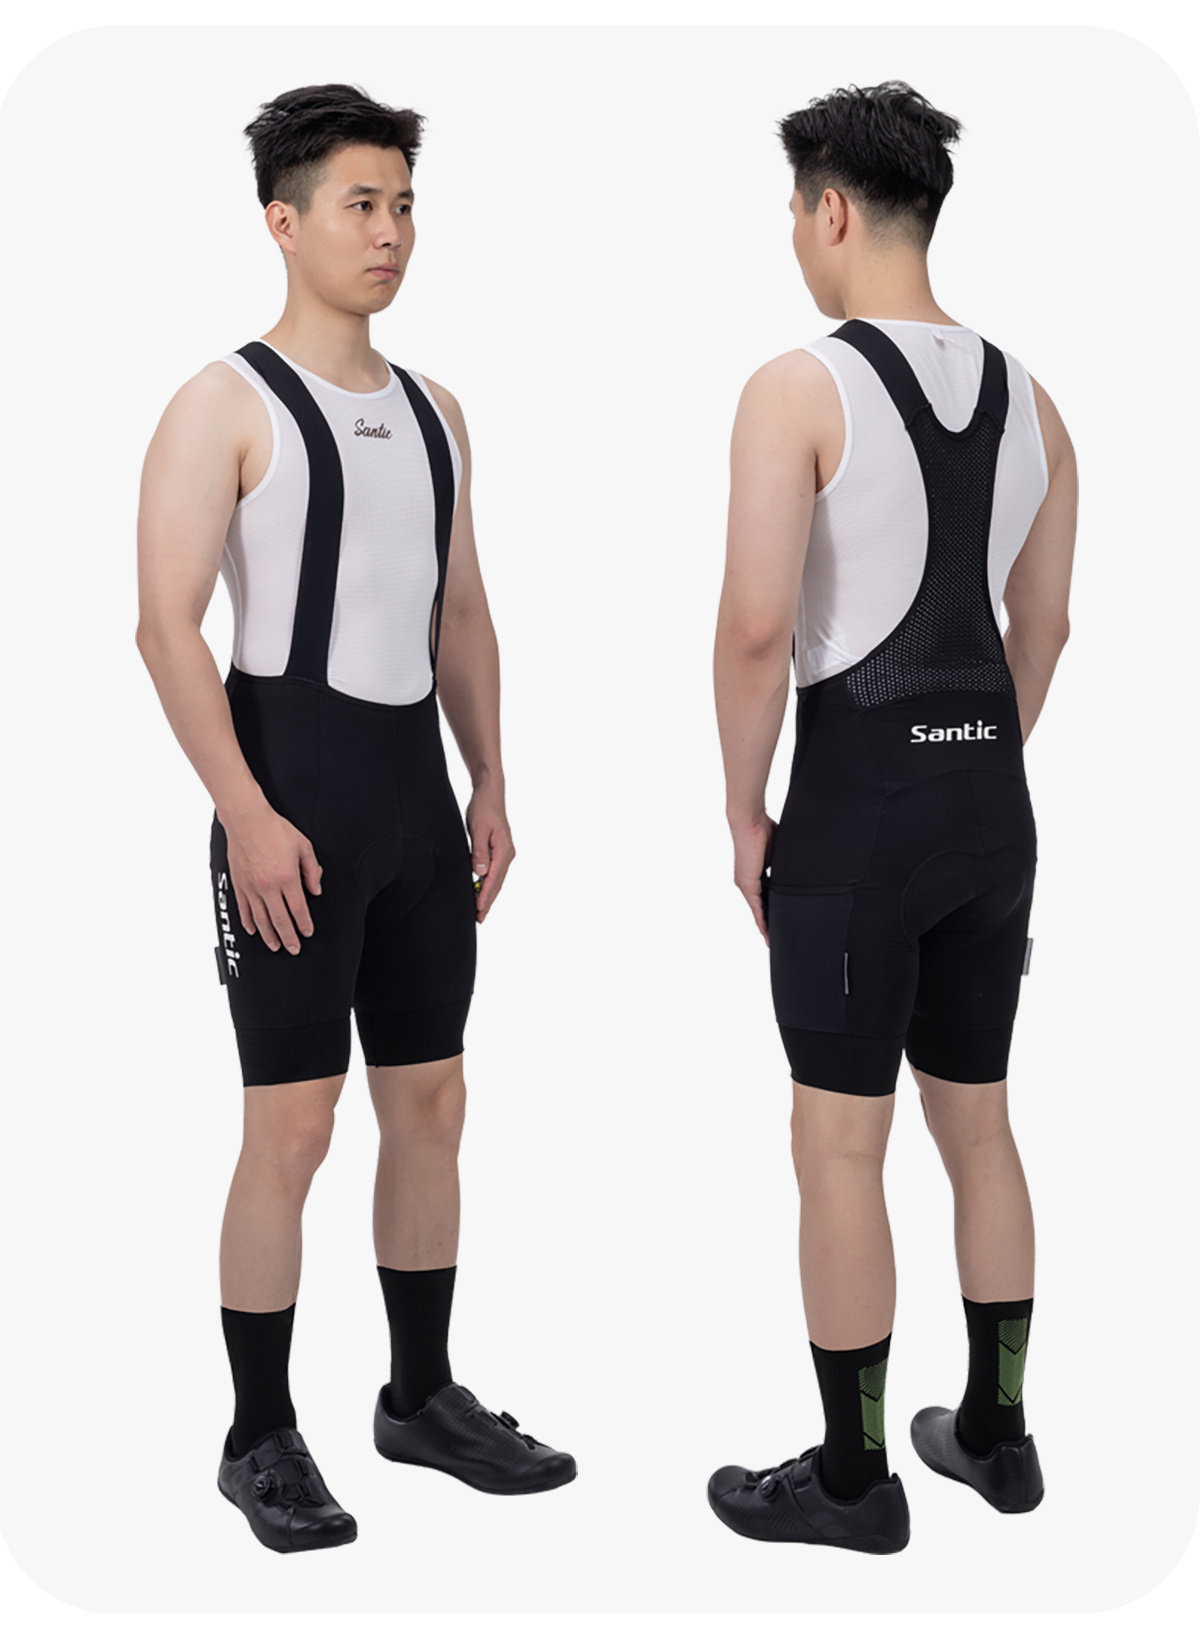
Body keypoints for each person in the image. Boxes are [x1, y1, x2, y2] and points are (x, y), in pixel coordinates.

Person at [135, 83, 574, 1555]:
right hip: (292, 811)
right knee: (293, 1124)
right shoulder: (224, 403)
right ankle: (257, 1433)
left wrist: (491, 777)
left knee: (433, 1103)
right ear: (283, 220)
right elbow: (165, 627)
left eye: (403, 206)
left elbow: (462, 610)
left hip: (416, 811)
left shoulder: (439, 410)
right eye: (359, 205)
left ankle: (420, 1395)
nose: (389, 232)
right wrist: (245, 814)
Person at [708, 80, 1074, 1553]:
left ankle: (855, 1480)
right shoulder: (1039, 401)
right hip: (994, 813)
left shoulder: (797, 388)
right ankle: (998, 1431)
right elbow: (1044, 629)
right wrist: (971, 765)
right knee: (979, 1124)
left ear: (832, 211)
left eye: (795, 213)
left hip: (856, 818)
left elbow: (753, 632)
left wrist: (746, 811)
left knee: (840, 1148)